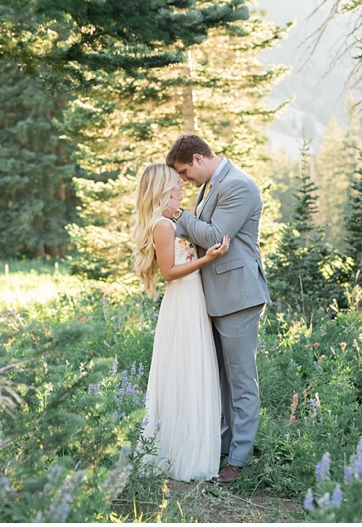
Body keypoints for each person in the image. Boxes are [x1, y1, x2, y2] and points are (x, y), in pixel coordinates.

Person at [161, 133, 270, 486]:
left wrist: (178, 214)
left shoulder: (238, 185)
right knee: (221, 379)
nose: (185, 179)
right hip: (215, 296)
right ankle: (223, 445)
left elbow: (214, 236)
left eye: (184, 171)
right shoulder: (210, 185)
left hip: (238, 296)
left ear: (197, 158)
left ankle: (238, 460)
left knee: (240, 380)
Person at [131, 162, 231, 482]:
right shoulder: (162, 225)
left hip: (194, 300)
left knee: (196, 372)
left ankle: (194, 449)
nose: (182, 186)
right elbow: (169, 272)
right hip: (181, 301)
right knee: (184, 372)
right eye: (177, 184)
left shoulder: (174, 220)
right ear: (163, 189)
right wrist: (207, 259)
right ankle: (177, 453)